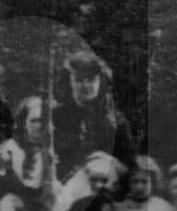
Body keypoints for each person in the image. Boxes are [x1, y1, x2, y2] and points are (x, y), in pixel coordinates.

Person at [52, 46, 135, 174]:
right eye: (79, 80)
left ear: (100, 82)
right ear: (70, 82)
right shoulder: (57, 116)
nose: (85, 86)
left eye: (91, 80)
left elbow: (127, 164)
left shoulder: (115, 120)